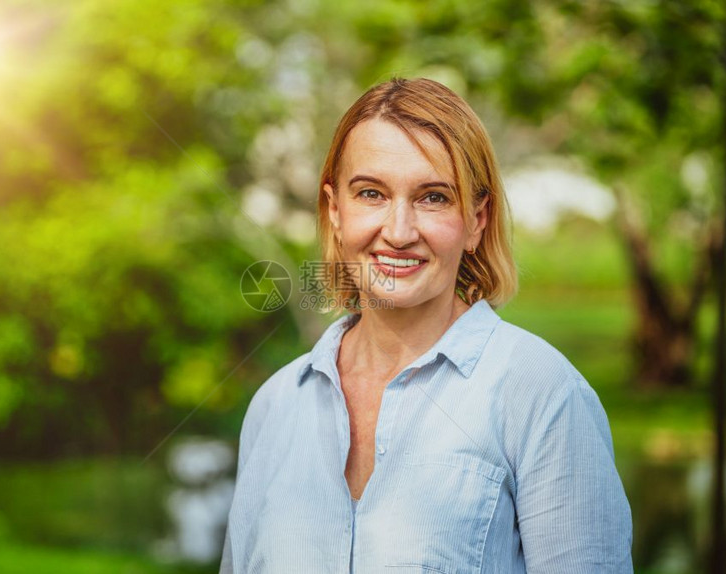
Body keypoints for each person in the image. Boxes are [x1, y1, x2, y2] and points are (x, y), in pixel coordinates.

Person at [220, 77, 633, 573]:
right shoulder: (275, 405)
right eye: (371, 193)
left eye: (433, 197)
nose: (398, 232)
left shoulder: (542, 394)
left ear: (477, 220)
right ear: (335, 210)